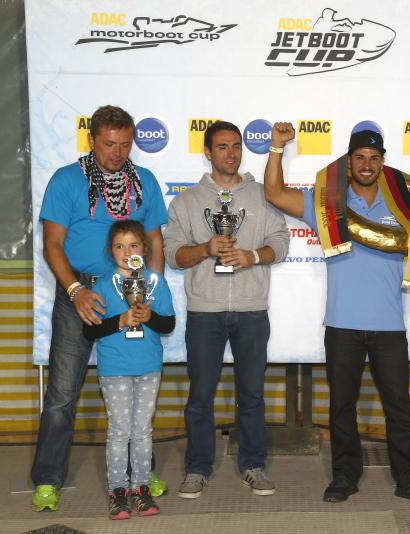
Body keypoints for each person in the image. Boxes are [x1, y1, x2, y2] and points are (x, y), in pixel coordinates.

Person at [264, 123, 410, 506]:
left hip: (389, 325)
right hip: (342, 324)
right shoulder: (327, 204)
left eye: (374, 158)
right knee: (342, 408)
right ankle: (345, 476)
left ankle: (409, 478)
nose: (366, 164)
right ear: (348, 161)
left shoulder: (402, 205)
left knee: (400, 408)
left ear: (383, 162)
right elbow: (275, 194)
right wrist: (277, 148)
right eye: (359, 157)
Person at [32, 105, 168, 511]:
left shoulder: (145, 181)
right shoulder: (66, 179)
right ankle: (47, 479)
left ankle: (141, 475)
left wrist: (151, 289)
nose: (117, 153)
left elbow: (155, 242)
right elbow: (52, 244)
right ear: (91, 139)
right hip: (81, 294)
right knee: (62, 392)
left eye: (125, 144)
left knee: (137, 383)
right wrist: (75, 291)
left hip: (130, 296)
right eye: (109, 144)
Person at [164, 121, 289, 499]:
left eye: (236, 146)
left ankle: (253, 465)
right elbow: (173, 256)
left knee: (252, 395)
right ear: (208, 152)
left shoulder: (263, 196)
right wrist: (206, 249)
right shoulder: (185, 202)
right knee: (200, 396)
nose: (231, 153)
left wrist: (252, 256)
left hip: (252, 310)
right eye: (222, 147)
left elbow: (281, 243)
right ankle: (197, 469)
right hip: (205, 312)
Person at [83, 220, 175, 519]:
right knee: (120, 432)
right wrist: (120, 321)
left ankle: (141, 488)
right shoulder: (102, 285)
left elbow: (168, 324)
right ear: (111, 251)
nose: (127, 252)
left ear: (144, 249)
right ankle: (118, 491)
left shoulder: (156, 282)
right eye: (119, 246)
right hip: (115, 369)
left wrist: (149, 317)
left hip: (149, 367)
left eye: (133, 245)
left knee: (143, 431)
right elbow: (90, 330)